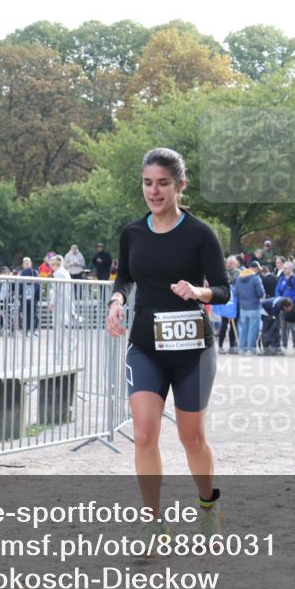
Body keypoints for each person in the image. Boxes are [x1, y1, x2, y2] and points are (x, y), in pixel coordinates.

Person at [106, 147, 229, 539]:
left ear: (180, 185)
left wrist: (198, 291)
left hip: (192, 349)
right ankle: (153, 521)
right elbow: (125, 277)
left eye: (162, 183)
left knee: (191, 438)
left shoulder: (200, 233)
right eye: (147, 183)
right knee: (144, 432)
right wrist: (117, 300)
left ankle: (208, 503)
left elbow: (223, 290)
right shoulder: (132, 232)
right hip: (146, 345)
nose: (154, 191)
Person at [235, 261, 265, 355]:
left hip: (243, 307)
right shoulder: (256, 278)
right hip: (254, 306)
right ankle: (250, 350)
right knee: (253, 329)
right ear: (255, 268)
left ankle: (242, 349)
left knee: (244, 329)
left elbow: (236, 294)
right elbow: (260, 293)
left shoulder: (238, 278)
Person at [274, 261, 295, 353]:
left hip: (292, 305)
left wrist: (290, 302)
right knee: (283, 326)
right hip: (282, 305)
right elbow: (277, 290)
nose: (284, 269)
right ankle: (284, 346)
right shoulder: (281, 279)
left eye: (286, 268)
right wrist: (280, 300)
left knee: (293, 327)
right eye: (284, 268)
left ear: (291, 269)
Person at [19, 257, 40, 335]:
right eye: (25, 263)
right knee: (25, 315)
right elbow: (19, 284)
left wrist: (33, 281)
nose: (27, 264)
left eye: (28, 263)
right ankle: (26, 331)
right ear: (23, 265)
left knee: (33, 314)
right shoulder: (21, 273)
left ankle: (33, 330)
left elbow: (38, 283)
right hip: (24, 297)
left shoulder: (35, 272)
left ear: (31, 264)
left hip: (33, 296)